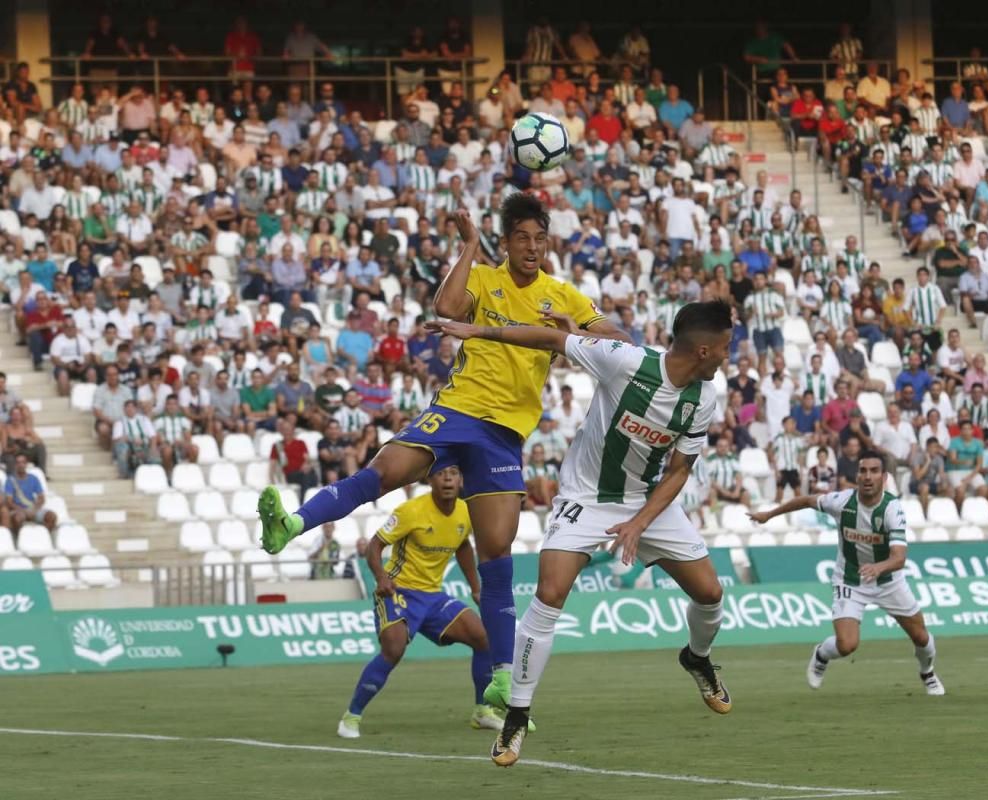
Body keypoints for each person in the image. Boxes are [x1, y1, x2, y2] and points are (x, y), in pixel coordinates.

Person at [255, 198, 630, 713]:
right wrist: (469, 247)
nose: (533, 247)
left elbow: (621, 342)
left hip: (504, 436)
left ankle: (503, 677)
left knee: (497, 552)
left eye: (540, 238)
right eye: (522, 237)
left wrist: (576, 328)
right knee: (382, 472)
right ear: (506, 241)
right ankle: (291, 526)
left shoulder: (561, 295)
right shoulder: (482, 279)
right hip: (456, 411)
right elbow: (447, 310)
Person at [428, 300, 733, 765]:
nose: (729, 357)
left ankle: (696, 658)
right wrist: (475, 331)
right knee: (549, 593)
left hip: (647, 502)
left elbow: (679, 471)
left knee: (711, 594)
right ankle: (516, 716)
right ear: (705, 349)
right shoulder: (627, 362)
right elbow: (553, 340)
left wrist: (639, 522)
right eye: (726, 348)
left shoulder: (703, 398)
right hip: (586, 497)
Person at [749, 452, 944, 696]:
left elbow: (899, 558)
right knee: (847, 644)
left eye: (874, 471)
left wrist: (878, 568)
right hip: (850, 580)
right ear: (857, 476)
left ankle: (928, 673)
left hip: (888, 582)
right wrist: (769, 515)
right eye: (863, 471)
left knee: (921, 637)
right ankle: (821, 654)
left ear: (884, 477)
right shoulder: (841, 501)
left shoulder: (892, 509)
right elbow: (806, 501)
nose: (867, 476)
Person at [337, 466, 504, 740]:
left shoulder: (465, 511)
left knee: (483, 638)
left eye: (453, 473)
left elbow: (463, 545)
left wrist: (476, 588)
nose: (448, 478)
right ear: (430, 479)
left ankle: (482, 712)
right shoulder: (410, 511)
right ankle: (351, 717)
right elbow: (374, 546)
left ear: (461, 479)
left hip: (433, 596)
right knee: (394, 649)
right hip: (398, 591)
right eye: (441, 473)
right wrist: (381, 577)